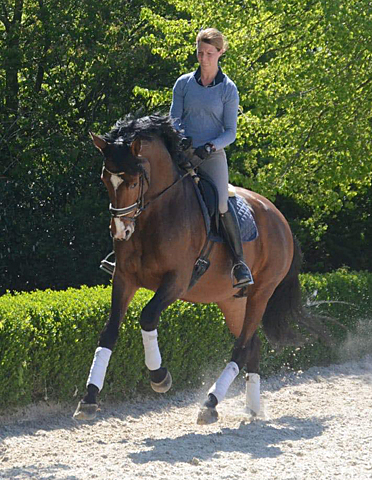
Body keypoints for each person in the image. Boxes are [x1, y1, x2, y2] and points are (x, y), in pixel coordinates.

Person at [170, 28, 253, 288]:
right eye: (200, 52)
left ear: (220, 53)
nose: (203, 58)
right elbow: (174, 118)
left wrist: (210, 146)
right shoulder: (183, 83)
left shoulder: (228, 89)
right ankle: (125, 253)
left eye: (209, 53)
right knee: (150, 186)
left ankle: (239, 263)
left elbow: (231, 132)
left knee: (220, 204)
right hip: (183, 152)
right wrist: (179, 137)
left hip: (211, 155)